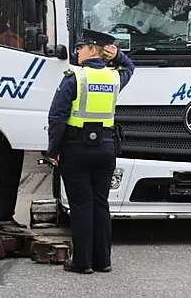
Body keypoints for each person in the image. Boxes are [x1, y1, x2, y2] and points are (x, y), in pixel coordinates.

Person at [47, 29, 136, 274]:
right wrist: (118, 55)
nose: (77, 51)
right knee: (100, 204)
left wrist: (52, 150)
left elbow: (57, 117)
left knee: (81, 205)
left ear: (93, 50)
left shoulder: (74, 77)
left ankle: (82, 262)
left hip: (76, 148)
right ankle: (102, 261)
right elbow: (131, 68)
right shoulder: (114, 77)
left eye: (81, 47)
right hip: (106, 148)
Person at [0, 124, 26, 228]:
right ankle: (3, 218)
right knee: (6, 179)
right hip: (2, 137)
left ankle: (7, 216)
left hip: (13, 137)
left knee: (13, 179)